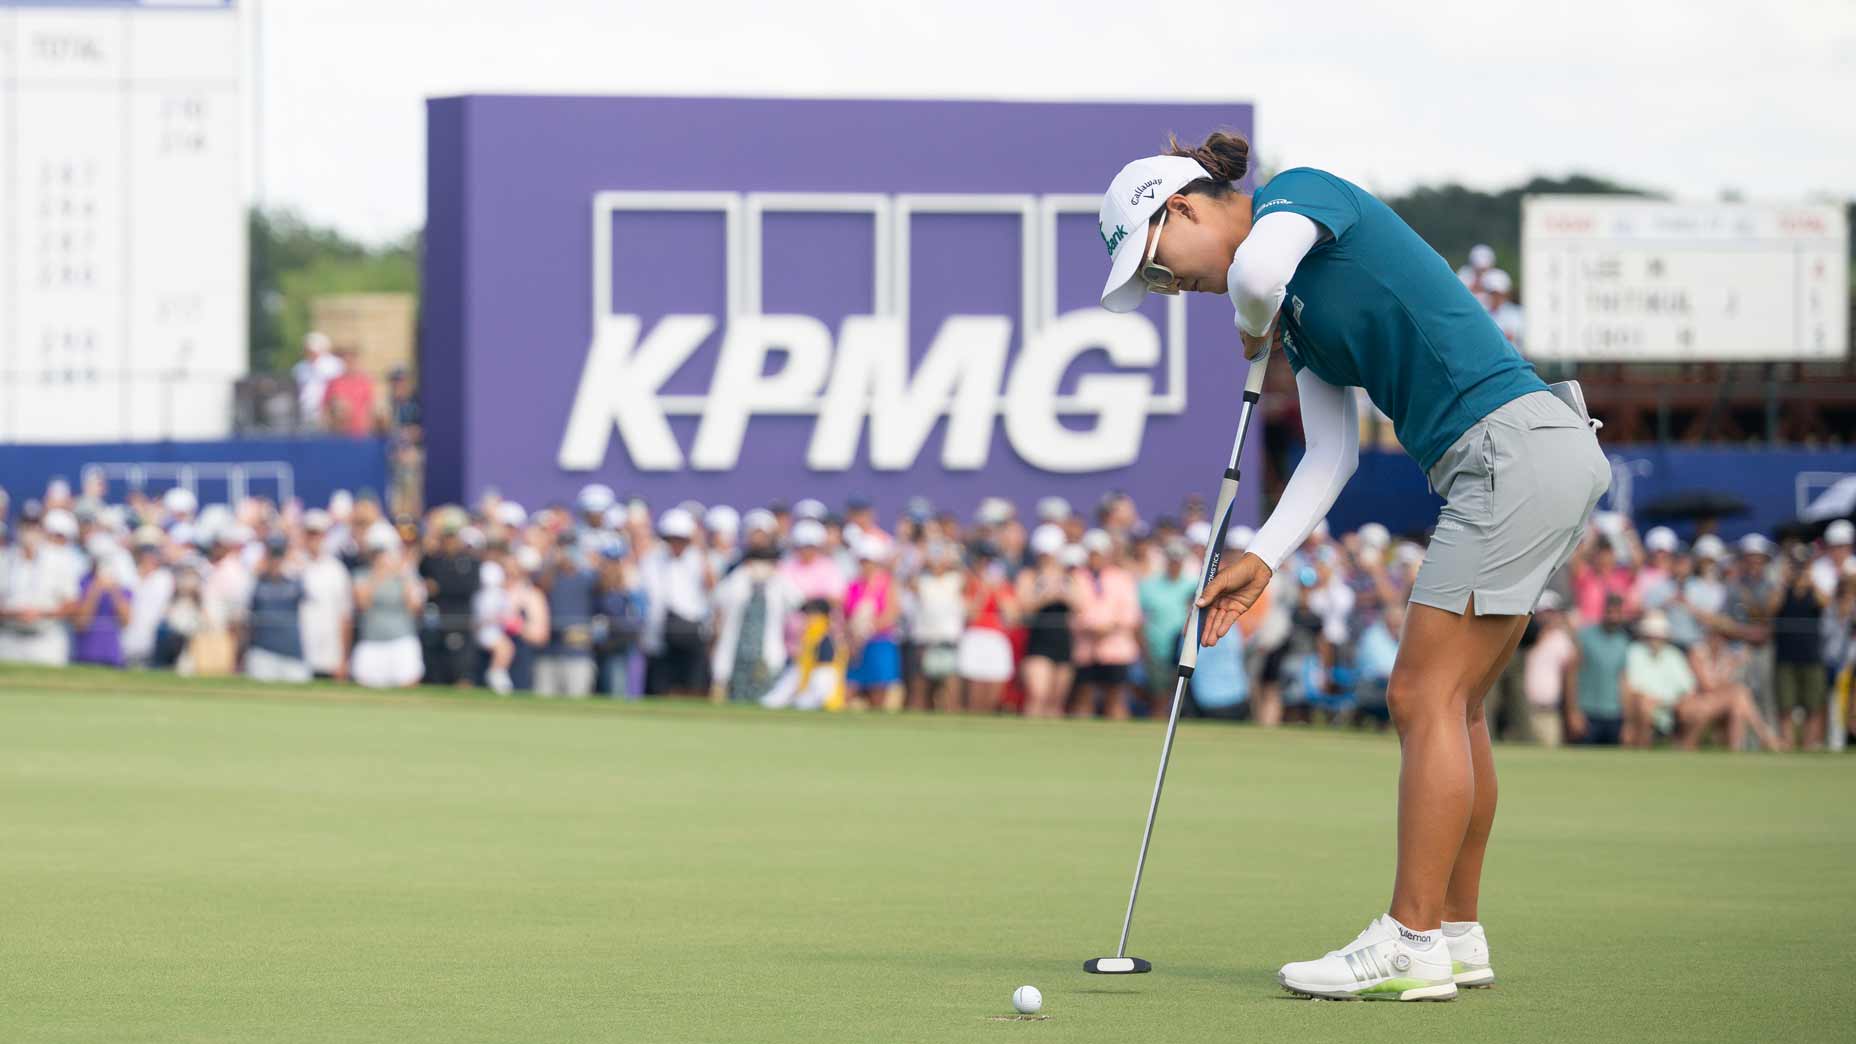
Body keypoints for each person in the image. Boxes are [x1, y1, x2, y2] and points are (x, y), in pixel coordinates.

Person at [1110, 130, 1608, 999]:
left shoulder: (1299, 194)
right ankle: (1455, 932)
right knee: (1459, 707)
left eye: (1156, 267)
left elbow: (1258, 272)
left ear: (1181, 208)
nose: (1167, 288)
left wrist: (1251, 328)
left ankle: (1409, 939)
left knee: (1420, 696)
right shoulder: (1298, 323)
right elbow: (1331, 453)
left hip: (1511, 450)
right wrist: (1262, 557)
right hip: (1521, 457)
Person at [1070, 529, 1142, 720]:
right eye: (1092, 553)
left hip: (1116, 648)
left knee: (1115, 696)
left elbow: (1131, 613)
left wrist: (1109, 627)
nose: (1095, 558)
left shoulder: (1122, 577)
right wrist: (1090, 626)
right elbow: (1074, 610)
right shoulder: (1077, 577)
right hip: (1086, 648)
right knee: (1084, 695)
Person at [1688, 621, 1785, 752]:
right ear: (1710, 635)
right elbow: (1707, 686)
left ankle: (1737, 749)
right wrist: (1734, 666)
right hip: (1698, 701)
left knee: (1739, 704)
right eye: (1718, 636)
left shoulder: (1726, 656)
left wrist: (1733, 665)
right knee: (1739, 694)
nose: (1721, 640)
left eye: (1724, 637)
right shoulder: (1698, 653)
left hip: (1718, 701)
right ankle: (1765, 736)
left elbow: (1722, 683)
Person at [349, 527, 425, 689]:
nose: (380, 557)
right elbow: (362, 604)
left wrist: (405, 573)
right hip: (371, 641)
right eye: (376, 553)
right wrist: (379, 574)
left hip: (402, 640)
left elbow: (414, 608)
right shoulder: (362, 575)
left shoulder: (407, 576)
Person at [1016, 525, 1077, 718]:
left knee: (1056, 701)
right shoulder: (1029, 575)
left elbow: (1080, 605)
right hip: (1038, 641)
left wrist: (1063, 593)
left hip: (1063, 641)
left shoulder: (1068, 577)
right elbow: (1024, 606)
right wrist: (1047, 596)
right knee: (1037, 695)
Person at [1772, 547, 1829, 749]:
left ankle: (1808, 745)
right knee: (1785, 705)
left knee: (1813, 705)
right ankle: (1787, 744)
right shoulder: (1783, 589)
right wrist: (1784, 582)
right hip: (1786, 655)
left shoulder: (1815, 589)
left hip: (1812, 655)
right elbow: (1771, 608)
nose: (1799, 569)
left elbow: (1826, 604)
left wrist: (1810, 581)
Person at [842, 536, 905, 711]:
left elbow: (891, 614)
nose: (866, 566)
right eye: (863, 561)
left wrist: (868, 628)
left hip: (880, 642)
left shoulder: (887, 584)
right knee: (849, 690)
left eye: (869, 561)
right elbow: (846, 615)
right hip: (856, 645)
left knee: (878, 692)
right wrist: (852, 636)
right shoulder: (854, 585)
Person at [956, 541, 1017, 714]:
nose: (985, 564)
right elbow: (971, 615)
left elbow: (1012, 617)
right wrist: (983, 589)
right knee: (975, 696)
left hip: (996, 639)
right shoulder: (968, 583)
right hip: (975, 637)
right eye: (982, 559)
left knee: (993, 696)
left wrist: (997, 590)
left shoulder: (1002, 585)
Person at [1621, 611, 1695, 748]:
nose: (1654, 640)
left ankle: (1685, 750)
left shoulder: (1674, 655)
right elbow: (1632, 687)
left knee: (1693, 709)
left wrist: (1672, 703)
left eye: (1658, 636)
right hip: (1644, 705)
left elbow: (1688, 688)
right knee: (1644, 706)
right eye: (1651, 636)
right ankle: (1642, 749)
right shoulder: (1634, 652)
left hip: (1673, 706)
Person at [243, 536, 312, 683]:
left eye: (279, 554)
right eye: (272, 554)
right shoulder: (255, 581)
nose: (275, 560)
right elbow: (244, 612)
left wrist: (296, 565)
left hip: (292, 652)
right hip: (262, 651)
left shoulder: (296, 580)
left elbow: (313, 598)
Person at [1567, 594, 1634, 746]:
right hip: (1587, 713)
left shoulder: (1623, 641)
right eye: (1610, 612)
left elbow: (1623, 681)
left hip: (1614, 714)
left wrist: (1628, 722)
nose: (1613, 617)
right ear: (1603, 611)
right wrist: (1573, 712)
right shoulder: (1585, 636)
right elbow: (1571, 675)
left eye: (1617, 613)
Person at [909, 540, 966, 712]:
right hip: (925, 639)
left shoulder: (956, 579)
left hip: (949, 639)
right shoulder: (922, 581)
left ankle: (952, 720)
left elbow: (968, 576)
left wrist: (952, 558)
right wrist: (922, 562)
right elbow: (910, 581)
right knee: (921, 686)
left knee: (951, 685)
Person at [1521, 591, 1577, 747]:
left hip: (1550, 711)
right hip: (1525, 711)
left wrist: (1571, 710)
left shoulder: (1561, 639)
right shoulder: (1525, 638)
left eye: (1551, 613)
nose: (1547, 617)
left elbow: (1571, 672)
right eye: (1543, 613)